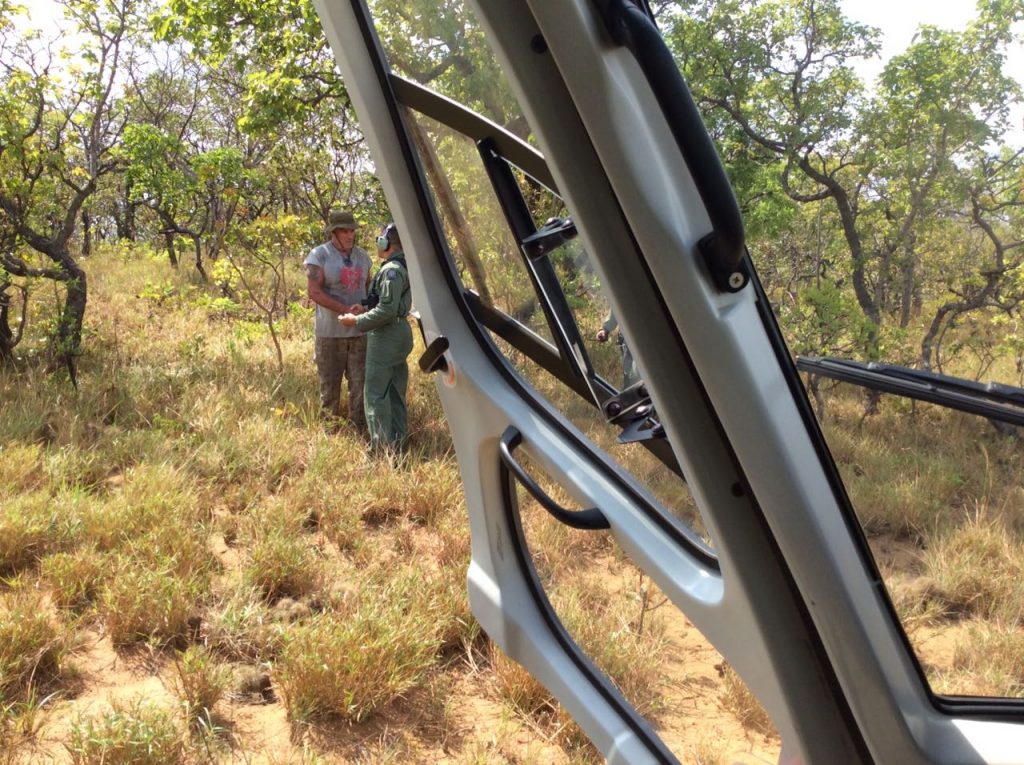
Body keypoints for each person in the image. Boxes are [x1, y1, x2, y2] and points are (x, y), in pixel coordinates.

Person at [339, 222, 413, 451]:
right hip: (398, 332)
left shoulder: (392, 270)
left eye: (380, 239)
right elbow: (388, 303)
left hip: (387, 335)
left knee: (375, 394)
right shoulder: (400, 267)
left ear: (387, 242)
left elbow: (388, 311)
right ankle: (398, 444)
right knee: (393, 392)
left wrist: (356, 322)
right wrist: (365, 308)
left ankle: (381, 449)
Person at [303, 209, 373, 429]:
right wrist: (344, 309)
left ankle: (359, 431)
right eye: (344, 230)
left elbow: (369, 288)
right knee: (330, 387)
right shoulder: (319, 255)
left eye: (352, 230)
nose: (350, 234)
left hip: (360, 333)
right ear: (333, 231)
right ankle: (329, 433)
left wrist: (363, 308)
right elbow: (313, 292)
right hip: (330, 333)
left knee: (360, 387)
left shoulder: (363, 256)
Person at [596, 311, 640, 389]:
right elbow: (617, 309)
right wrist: (605, 329)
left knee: (636, 378)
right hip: (628, 344)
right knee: (631, 377)